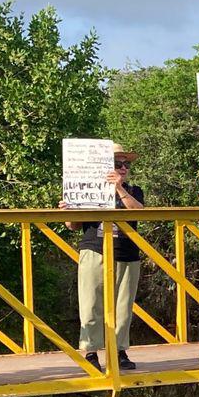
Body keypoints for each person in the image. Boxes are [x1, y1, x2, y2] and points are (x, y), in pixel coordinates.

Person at [59, 145, 144, 372]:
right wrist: (69, 210)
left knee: (123, 306)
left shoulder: (133, 190)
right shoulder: (87, 188)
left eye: (126, 164)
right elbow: (72, 225)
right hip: (94, 250)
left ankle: (119, 351)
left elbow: (139, 212)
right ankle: (91, 352)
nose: (123, 168)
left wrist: (118, 188)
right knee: (90, 302)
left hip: (126, 253)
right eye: (118, 163)